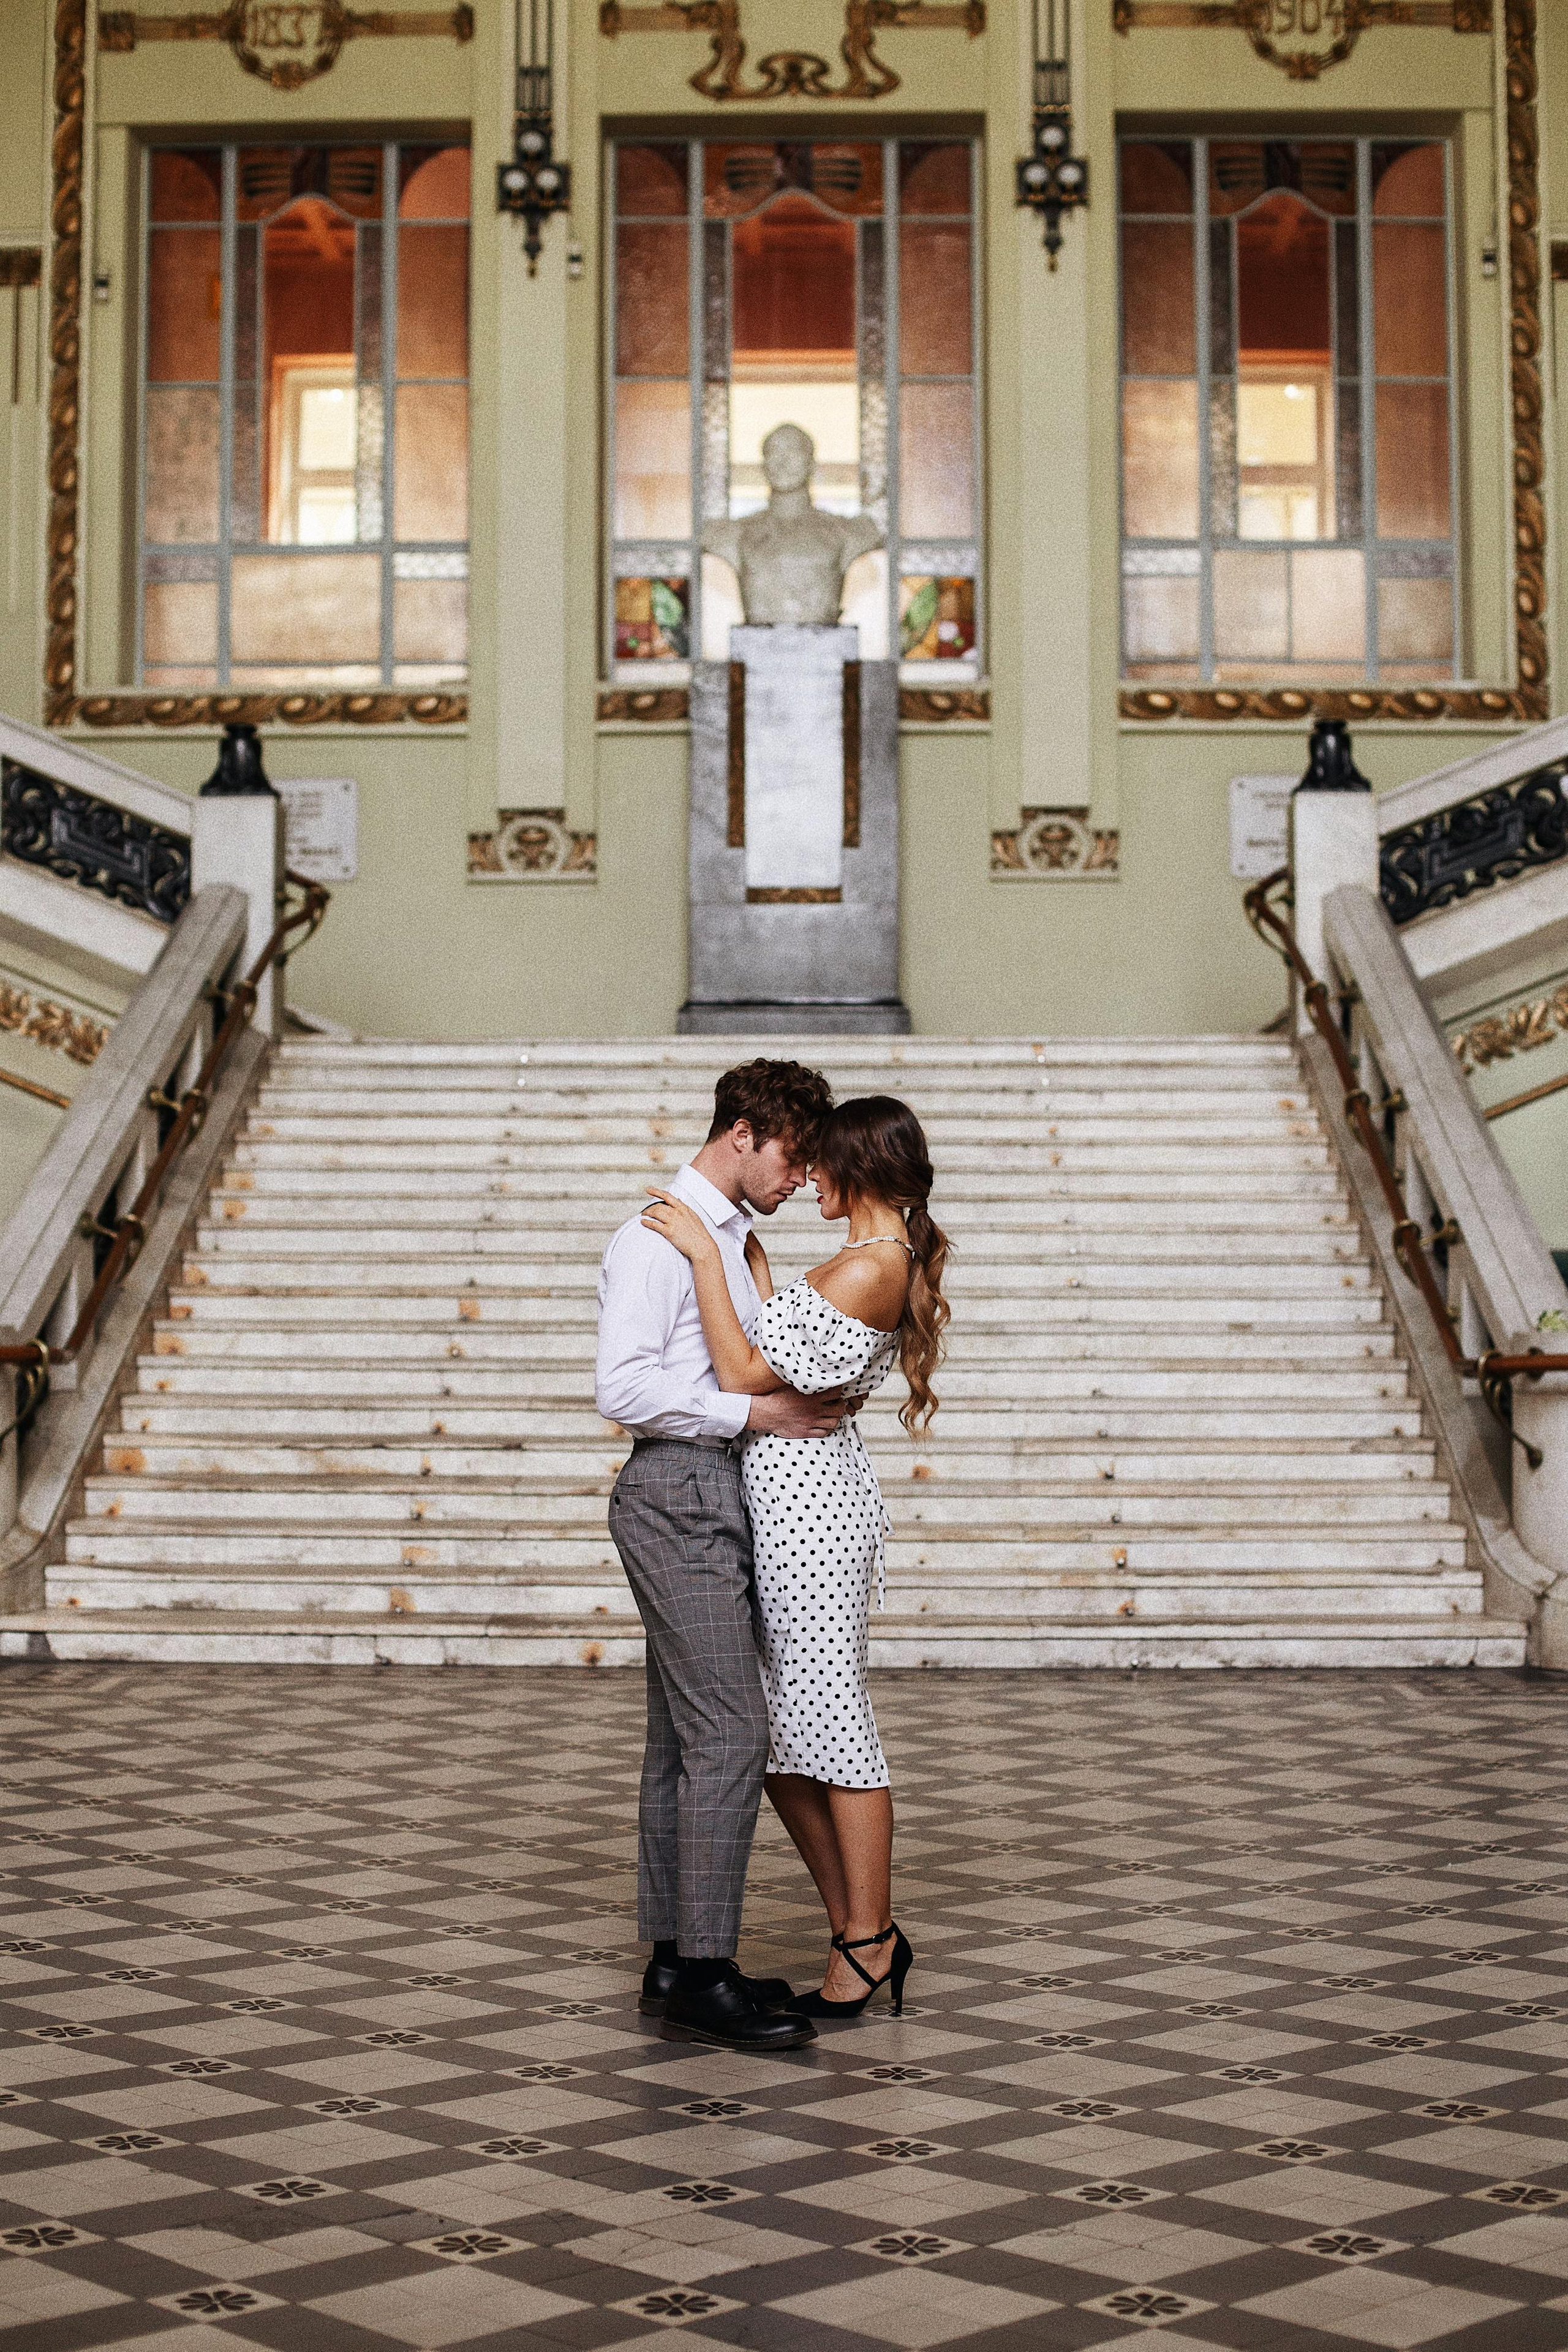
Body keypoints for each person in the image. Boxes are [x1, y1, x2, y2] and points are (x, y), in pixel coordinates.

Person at [641, 1094, 949, 2019]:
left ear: (860, 1167)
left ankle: (868, 1936)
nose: (807, 1176)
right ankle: (862, 1933)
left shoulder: (872, 1267)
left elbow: (742, 1373)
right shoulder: (859, 1261)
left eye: (822, 1164)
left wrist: (706, 1252)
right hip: (787, 1502)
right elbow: (784, 1347)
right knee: (775, 1736)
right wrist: (755, 1263)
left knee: (834, 1725)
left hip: (811, 1515)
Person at [596, 1057, 848, 2053]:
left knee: (682, 1742)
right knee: (735, 1734)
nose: (800, 1182)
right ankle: (705, 1971)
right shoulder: (657, 1238)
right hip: (677, 1492)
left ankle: (671, 1955)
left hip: (712, 1492)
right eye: (792, 1158)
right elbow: (622, 1387)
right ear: (742, 1132)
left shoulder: (730, 1243)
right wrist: (755, 1411)